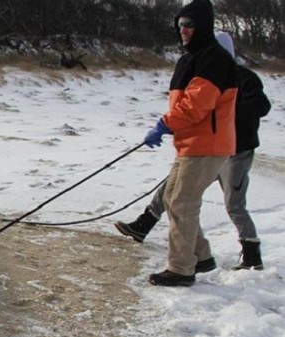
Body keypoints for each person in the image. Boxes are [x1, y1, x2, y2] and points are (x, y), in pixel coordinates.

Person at [115, 31, 271, 273]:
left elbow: (261, 106)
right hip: (204, 147)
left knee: (233, 204)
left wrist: (223, 114)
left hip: (236, 152)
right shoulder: (202, 74)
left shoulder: (244, 77)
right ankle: (145, 225)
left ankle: (251, 255)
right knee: (174, 191)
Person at [130, 0, 238, 287]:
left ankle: (181, 269)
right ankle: (200, 257)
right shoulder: (192, 57)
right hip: (191, 143)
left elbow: (196, 106)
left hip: (208, 144)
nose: (184, 30)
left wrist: (165, 124)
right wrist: (170, 127)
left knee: (182, 202)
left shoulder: (213, 58)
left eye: (189, 25)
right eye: (180, 25)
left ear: (202, 27)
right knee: (172, 199)